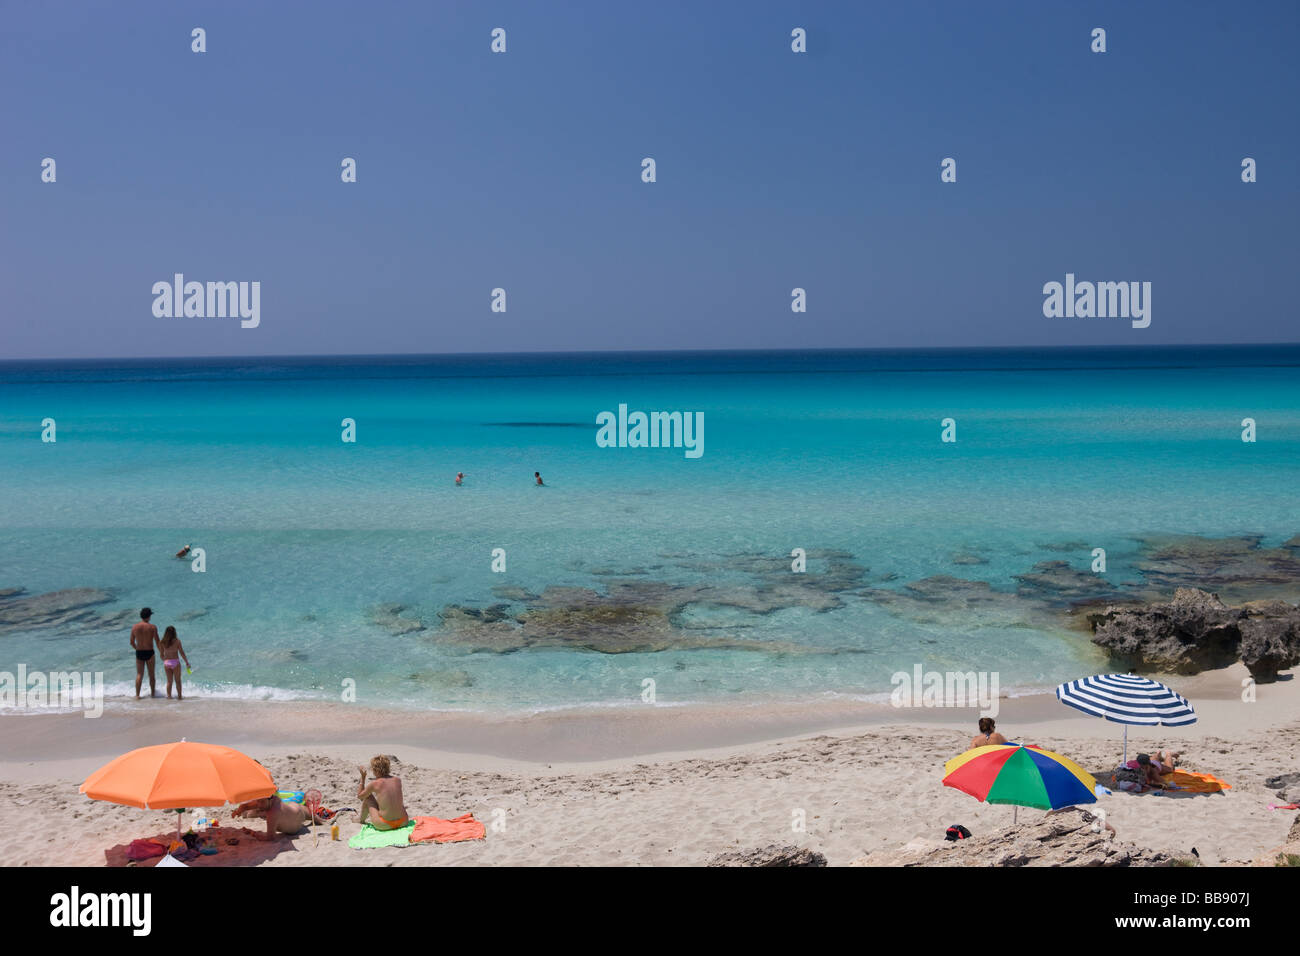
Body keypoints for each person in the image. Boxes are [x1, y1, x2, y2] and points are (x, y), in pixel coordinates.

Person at [356, 755, 409, 830]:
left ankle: (360, 820)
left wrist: (363, 778)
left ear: (375, 770)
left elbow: (360, 796)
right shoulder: (398, 780)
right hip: (403, 822)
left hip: (385, 824)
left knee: (368, 797)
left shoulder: (375, 783)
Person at [232, 795, 313, 841]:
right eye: (258, 801)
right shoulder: (271, 799)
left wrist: (251, 833)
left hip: (296, 827)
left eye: (262, 802)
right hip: (295, 811)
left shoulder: (273, 813)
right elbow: (245, 806)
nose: (259, 805)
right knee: (300, 809)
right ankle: (316, 817)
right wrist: (239, 810)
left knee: (304, 812)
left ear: (270, 799)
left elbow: (270, 837)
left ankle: (316, 817)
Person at [130, 608, 159, 698]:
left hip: (139, 652)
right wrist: (162, 653)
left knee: (139, 674)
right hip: (149, 652)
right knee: (151, 674)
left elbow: (131, 642)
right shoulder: (152, 627)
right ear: (149, 616)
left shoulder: (135, 627)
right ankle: (153, 694)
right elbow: (157, 641)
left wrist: (137, 648)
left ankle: (137, 695)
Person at [159, 626, 192, 700]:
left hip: (167, 663)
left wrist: (165, 661)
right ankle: (179, 697)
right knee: (178, 681)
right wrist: (187, 662)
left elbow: (161, 655)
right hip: (175, 662)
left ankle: (169, 696)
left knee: (169, 681)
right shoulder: (177, 641)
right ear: (174, 632)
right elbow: (181, 652)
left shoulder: (162, 642)